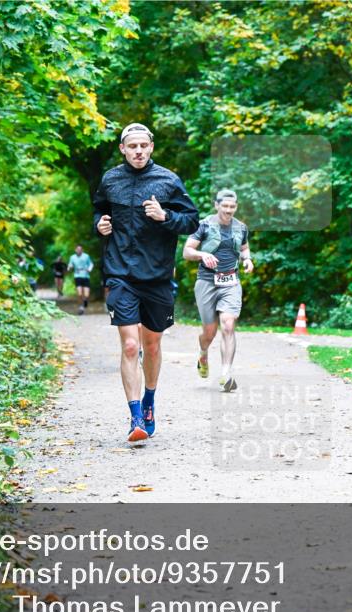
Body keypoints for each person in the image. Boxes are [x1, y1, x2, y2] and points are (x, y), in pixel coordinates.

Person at [94, 123, 199, 442]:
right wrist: (99, 224)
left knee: (151, 345)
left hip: (156, 276)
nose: (138, 151)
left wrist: (164, 216)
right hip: (120, 273)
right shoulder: (110, 179)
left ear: (151, 147)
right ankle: (135, 416)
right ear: (122, 149)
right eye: (132, 146)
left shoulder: (168, 180)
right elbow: (99, 210)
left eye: (144, 145)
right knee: (130, 344)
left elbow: (192, 221)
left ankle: (150, 400)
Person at [182, 189, 253, 392]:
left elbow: (244, 247)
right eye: (225, 206)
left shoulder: (241, 227)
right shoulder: (204, 225)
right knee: (210, 332)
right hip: (207, 282)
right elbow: (187, 251)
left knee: (228, 325)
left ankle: (226, 374)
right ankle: (203, 353)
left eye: (232, 207)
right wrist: (202, 255)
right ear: (217, 205)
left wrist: (247, 259)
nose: (229, 210)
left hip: (231, 282)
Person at [68, 245, 94, 315]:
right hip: (77, 276)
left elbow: (91, 264)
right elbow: (70, 265)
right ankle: (81, 307)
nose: (79, 250)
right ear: (75, 250)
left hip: (86, 276)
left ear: (82, 250)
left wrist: (89, 269)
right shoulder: (72, 257)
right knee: (79, 293)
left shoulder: (86, 256)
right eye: (77, 249)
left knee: (86, 294)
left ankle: (85, 301)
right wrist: (69, 267)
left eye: (80, 249)